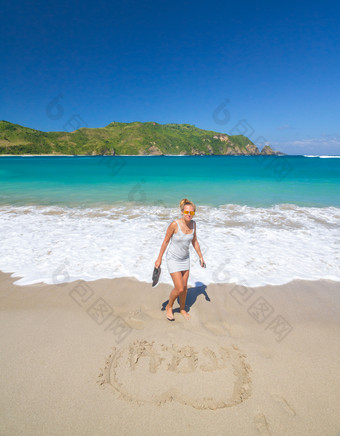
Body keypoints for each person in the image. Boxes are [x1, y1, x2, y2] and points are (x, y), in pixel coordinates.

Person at [155, 198, 205, 321]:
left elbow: (194, 241)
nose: (189, 214)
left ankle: (182, 309)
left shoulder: (193, 224)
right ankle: (169, 306)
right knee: (180, 288)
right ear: (182, 212)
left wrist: (201, 256)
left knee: (185, 289)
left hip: (185, 259)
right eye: (187, 212)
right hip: (173, 258)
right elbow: (166, 241)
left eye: (192, 213)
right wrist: (159, 258)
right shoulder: (174, 224)